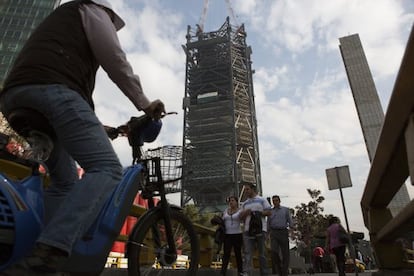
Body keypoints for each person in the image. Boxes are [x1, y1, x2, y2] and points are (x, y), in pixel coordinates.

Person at [0, 1, 164, 275]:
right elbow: (114, 59)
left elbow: (71, 110)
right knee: (108, 168)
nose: (113, 29)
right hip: (50, 89)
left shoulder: (61, 26)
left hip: (16, 96)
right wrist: (145, 103)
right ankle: (51, 251)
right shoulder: (92, 11)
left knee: (64, 180)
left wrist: (107, 130)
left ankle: (39, 252)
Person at [239, 183, 271, 276]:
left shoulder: (262, 200)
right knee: (247, 253)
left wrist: (258, 213)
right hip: (248, 230)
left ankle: (264, 273)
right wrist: (246, 213)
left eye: (247, 189)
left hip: (260, 229)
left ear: (253, 189)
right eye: (245, 190)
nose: (246, 191)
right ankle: (247, 272)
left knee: (262, 254)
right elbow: (240, 217)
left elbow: (269, 212)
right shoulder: (244, 203)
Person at [267, 195, 294, 276]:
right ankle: (279, 270)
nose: (275, 202)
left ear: (279, 201)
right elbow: (268, 222)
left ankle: (284, 271)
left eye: (276, 200)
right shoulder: (270, 211)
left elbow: (290, 220)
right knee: (274, 252)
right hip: (274, 232)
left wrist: (292, 230)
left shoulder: (285, 210)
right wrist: (267, 233)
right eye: (273, 201)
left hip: (283, 231)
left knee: (285, 252)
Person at [221, 196, 244, 276]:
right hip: (227, 235)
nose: (231, 202)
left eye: (233, 200)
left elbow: (242, 219)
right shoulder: (225, 211)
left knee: (238, 254)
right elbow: (222, 220)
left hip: (237, 234)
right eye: (230, 201)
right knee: (226, 254)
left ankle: (240, 271)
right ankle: (223, 272)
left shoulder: (240, 211)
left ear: (236, 202)